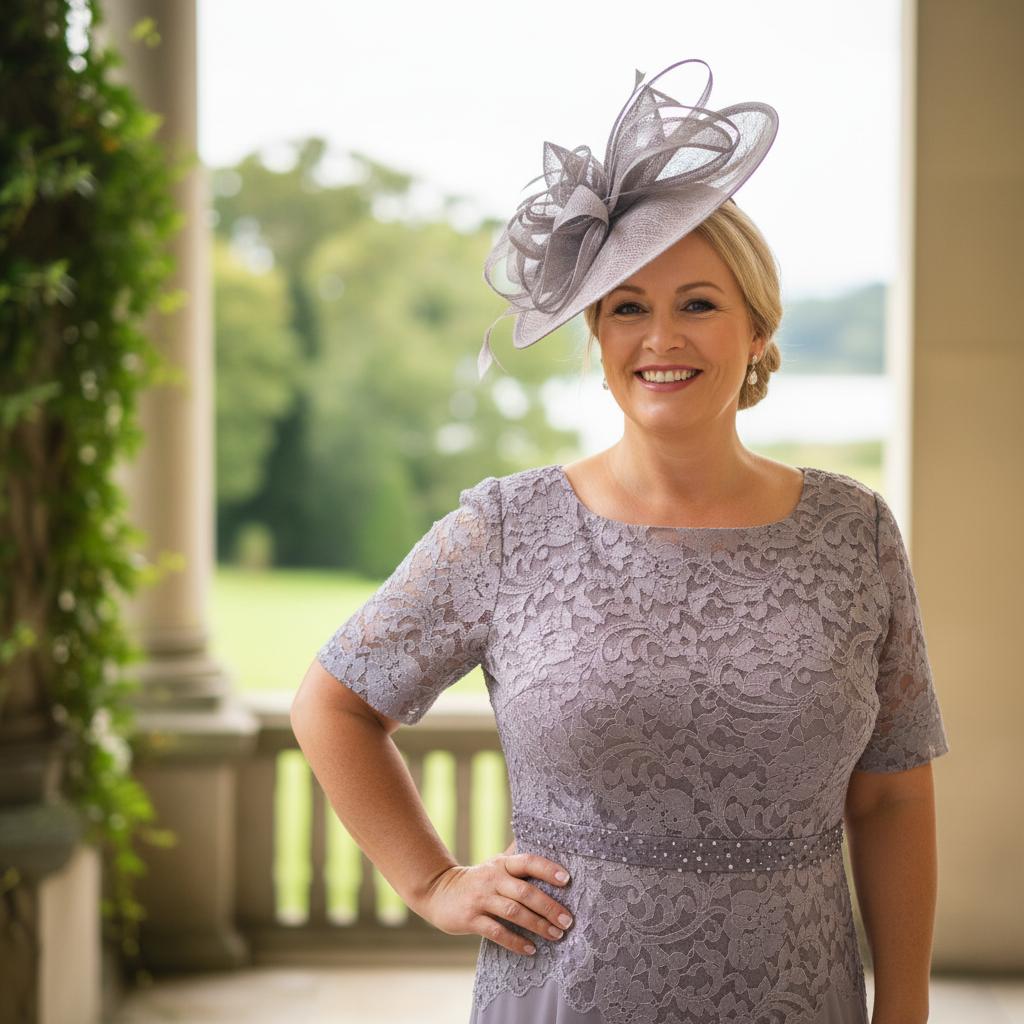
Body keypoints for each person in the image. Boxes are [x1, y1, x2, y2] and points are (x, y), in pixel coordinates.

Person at [291, 58, 950, 1024]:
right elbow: (332, 704)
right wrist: (433, 883)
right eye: (628, 308)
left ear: (758, 331)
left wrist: (906, 1006)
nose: (660, 337)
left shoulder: (854, 531)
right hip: (567, 995)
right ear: (597, 340)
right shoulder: (505, 529)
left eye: (699, 303)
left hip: (798, 997)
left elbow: (892, 796)